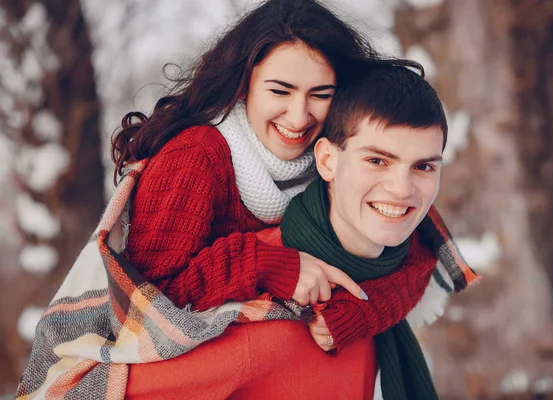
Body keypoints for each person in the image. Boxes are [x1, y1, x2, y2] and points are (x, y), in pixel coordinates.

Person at [17, 1, 476, 399]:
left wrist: (363, 311)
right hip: (150, 354)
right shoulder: (197, 159)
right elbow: (149, 305)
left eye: (321, 95)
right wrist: (268, 264)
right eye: (280, 91)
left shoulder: (347, 157)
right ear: (245, 85)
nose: (299, 116)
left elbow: (414, 253)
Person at [125, 65, 479, 399]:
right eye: (377, 160)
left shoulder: (382, 296)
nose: (402, 189)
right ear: (327, 161)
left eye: (423, 166)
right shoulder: (260, 321)